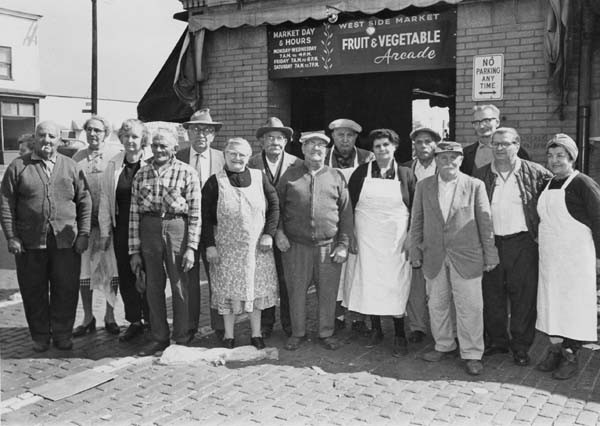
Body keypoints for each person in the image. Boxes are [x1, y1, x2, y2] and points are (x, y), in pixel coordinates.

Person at [0, 121, 92, 351]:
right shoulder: (18, 166)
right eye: (42, 136)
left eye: (52, 136)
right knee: (33, 290)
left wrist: (83, 233)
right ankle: (40, 335)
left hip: (66, 242)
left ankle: (62, 334)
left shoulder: (71, 166)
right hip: (29, 243)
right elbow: (6, 203)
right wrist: (11, 236)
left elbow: (85, 201)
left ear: (59, 140)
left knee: (66, 288)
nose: (47, 141)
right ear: (35, 139)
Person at [410, 141, 498, 376]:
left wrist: (490, 253)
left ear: (461, 160)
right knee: (437, 303)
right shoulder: (423, 185)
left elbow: (485, 221)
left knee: (470, 306)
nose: (448, 162)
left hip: (467, 256)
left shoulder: (475, 185)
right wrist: (414, 250)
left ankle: (472, 353)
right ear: (436, 160)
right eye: (443, 158)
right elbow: (416, 220)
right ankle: (443, 344)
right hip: (434, 254)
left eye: (453, 158)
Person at [473, 128, 552, 366]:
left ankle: (521, 346)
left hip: (524, 243)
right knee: (492, 294)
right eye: (495, 144)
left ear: (516, 145)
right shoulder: (482, 175)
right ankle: (498, 342)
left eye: (505, 144)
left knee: (523, 297)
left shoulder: (537, 173)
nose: (499, 148)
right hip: (492, 243)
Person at [276, 131, 352, 351]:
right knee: (296, 291)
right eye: (310, 145)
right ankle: (297, 332)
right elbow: (277, 208)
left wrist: (343, 244)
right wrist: (279, 232)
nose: (315, 149)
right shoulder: (289, 176)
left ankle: (326, 332)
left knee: (327, 292)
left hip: (327, 246)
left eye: (320, 145)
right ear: (303, 149)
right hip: (296, 246)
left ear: (326, 150)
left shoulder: (336, 176)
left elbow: (346, 213)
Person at [129, 128, 201, 356]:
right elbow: (133, 213)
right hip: (149, 228)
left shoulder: (187, 172)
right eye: (155, 145)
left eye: (164, 146)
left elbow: (196, 214)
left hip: (176, 227)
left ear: (174, 149)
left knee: (179, 283)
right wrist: (134, 250)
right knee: (153, 286)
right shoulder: (141, 174)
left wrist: (191, 247)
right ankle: (159, 336)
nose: (159, 150)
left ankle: (181, 336)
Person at [202, 137, 279, 349]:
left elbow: (274, 206)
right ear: (225, 155)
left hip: (256, 249)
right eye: (233, 153)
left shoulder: (259, 177)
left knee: (255, 290)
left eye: (242, 154)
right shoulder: (214, 182)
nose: (237, 158)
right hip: (226, 250)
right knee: (227, 293)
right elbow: (205, 217)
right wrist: (209, 245)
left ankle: (256, 334)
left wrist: (269, 234)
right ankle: (229, 336)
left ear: (248, 156)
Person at [345, 129, 415, 356]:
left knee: (396, 284)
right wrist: (352, 235)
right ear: (372, 150)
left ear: (394, 147)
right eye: (377, 146)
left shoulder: (405, 174)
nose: (382, 149)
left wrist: (412, 236)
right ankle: (376, 329)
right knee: (370, 282)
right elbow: (349, 206)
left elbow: (416, 209)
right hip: (367, 239)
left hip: (396, 241)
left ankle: (399, 334)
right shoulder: (360, 173)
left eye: (386, 145)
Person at [535, 134, 600, 380]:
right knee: (553, 302)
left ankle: (571, 353)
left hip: (576, 255)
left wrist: (599, 257)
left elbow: (598, 220)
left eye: (560, 156)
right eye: (551, 156)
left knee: (574, 305)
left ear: (572, 157)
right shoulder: (547, 183)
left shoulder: (583, 183)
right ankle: (555, 349)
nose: (555, 161)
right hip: (551, 255)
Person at [248, 117, 302, 339]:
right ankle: (266, 323)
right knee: (264, 278)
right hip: (260, 231)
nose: (275, 142)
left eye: (279, 138)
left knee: (287, 278)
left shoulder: (297, 163)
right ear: (261, 141)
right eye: (269, 137)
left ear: (286, 141)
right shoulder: (251, 163)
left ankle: (289, 324)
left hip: (289, 232)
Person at [99, 119, 152, 342]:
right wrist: (104, 231)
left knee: (151, 274)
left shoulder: (152, 162)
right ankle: (134, 321)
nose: (131, 141)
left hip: (147, 228)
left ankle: (152, 318)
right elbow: (104, 198)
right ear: (121, 138)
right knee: (127, 275)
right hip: (121, 228)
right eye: (127, 136)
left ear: (143, 140)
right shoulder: (113, 165)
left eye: (135, 137)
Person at [72, 116, 123, 337]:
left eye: (98, 131)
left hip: (110, 225)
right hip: (85, 224)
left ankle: (110, 316)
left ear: (106, 133)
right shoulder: (77, 158)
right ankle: (87, 317)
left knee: (112, 270)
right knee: (84, 272)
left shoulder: (116, 156)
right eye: (90, 130)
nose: (93, 134)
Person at [178, 108, 226, 340]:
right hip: (185, 228)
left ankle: (219, 326)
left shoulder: (223, 159)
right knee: (188, 278)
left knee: (216, 277)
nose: (201, 135)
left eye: (207, 130)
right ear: (188, 132)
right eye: (196, 129)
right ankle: (189, 326)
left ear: (213, 135)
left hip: (213, 230)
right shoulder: (177, 157)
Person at [325, 118, 374, 334]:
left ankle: (358, 318)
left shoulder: (367, 157)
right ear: (333, 137)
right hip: (332, 221)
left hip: (361, 220)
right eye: (340, 135)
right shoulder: (322, 156)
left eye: (350, 135)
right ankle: (335, 315)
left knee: (358, 270)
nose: (345, 139)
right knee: (334, 269)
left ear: (356, 137)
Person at [401, 126, 441, 344]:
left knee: (438, 283)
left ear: (436, 144)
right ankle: (417, 326)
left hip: (437, 233)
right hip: (412, 231)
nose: (423, 146)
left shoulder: (444, 167)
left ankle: (442, 328)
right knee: (414, 282)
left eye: (428, 141)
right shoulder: (405, 169)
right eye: (418, 142)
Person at [461, 104, 530, 176]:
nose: (481, 126)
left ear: (497, 122)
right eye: (476, 122)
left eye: (486, 120)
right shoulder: (465, 154)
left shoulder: (515, 150)